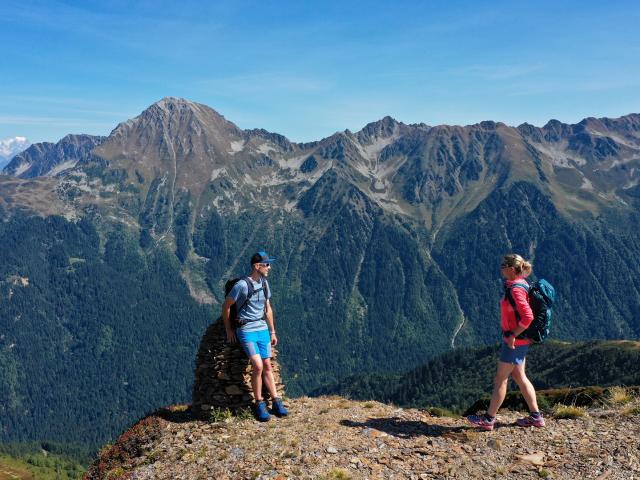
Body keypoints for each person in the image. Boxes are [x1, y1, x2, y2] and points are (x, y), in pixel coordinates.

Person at [467, 254, 544, 431]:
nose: (500, 267)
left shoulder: (516, 289)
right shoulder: (521, 283)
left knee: (500, 379)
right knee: (519, 376)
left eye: (503, 264)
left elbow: (528, 317)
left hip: (514, 342)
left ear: (511, 268)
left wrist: (513, 335)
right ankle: (536, 417)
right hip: (520, 341)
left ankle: (488, 419)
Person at [222, 251, 288, 422]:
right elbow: (227, 306)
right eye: (267, 264)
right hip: (246, 330)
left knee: (267, 364)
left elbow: (268, 308)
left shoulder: (265, 283)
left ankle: (275, 400)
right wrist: (229, 330)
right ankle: (259, 403)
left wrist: (272, 331)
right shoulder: (242, 285)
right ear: (257, 266)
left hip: (262, 329)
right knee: (258, 365)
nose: (269, 267)